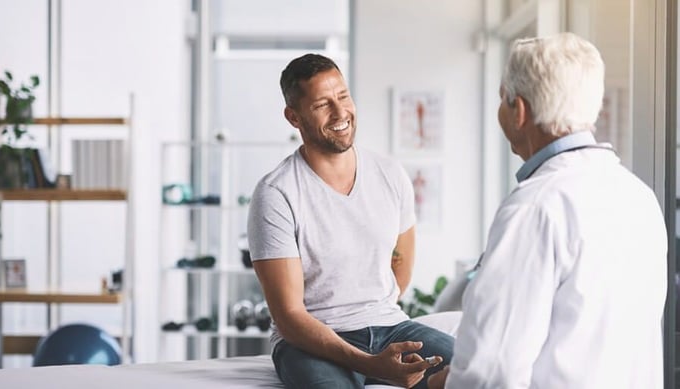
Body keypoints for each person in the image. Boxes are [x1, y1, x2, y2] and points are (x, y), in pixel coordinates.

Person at [427, 32, 667, 389]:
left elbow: (491, 372)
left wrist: (434, 384)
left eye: (502, 100)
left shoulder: (534, 207)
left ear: (518, 111)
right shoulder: (638, 195)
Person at [247, 53, 454, 389]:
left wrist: (374, 321)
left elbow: (400, 267)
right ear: (293, 117)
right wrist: (371, 364)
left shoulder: (390, 174)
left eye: (343, 96)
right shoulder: (276, 194)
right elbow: (289, 316)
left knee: (480, 372)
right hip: (310, 342)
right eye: (322, 104)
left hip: (390, 326)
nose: (341, 112)